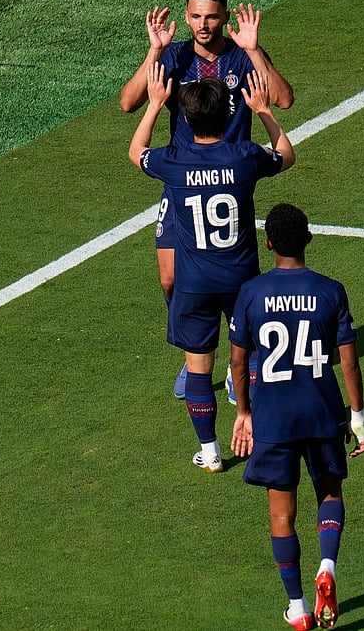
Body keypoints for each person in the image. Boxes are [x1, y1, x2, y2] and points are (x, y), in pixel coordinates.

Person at [120, 0, 294, 400]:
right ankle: (194, 354)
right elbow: (128, 103)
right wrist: (154, 51)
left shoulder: (242, 55)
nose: (204, 24)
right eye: (196, 16)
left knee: (236, 279)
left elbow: (284, 100)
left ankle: (245, 364)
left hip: (230, 177)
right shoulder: (174, 57)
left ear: (224, 15)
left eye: (212, 16)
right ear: (186, 15)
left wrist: (254, 50)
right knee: (169, 277)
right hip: (181, 178)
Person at [129, 63, 294, 473]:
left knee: (198, 368)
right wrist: (263, 112)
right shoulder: (245, 156)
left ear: (185, 118)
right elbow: (286, 155)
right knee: (251, 358)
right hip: (242, 283)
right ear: (229, 113)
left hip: (194, 285)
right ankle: (258, 430)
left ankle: (211, 450)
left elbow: (136, 152)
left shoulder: (175, 161)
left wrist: (154, 106)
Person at [228, 203, 364, 629]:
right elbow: (349, 363)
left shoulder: (251, 293)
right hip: (322, 411)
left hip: (274, 418)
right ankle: (327, 564)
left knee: (281, 515)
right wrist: (357, 416)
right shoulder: (331, 290)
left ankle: (298, 606)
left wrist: (243, 412)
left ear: (267, 244)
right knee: (329, 492)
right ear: (308, 238)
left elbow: (237, 363)